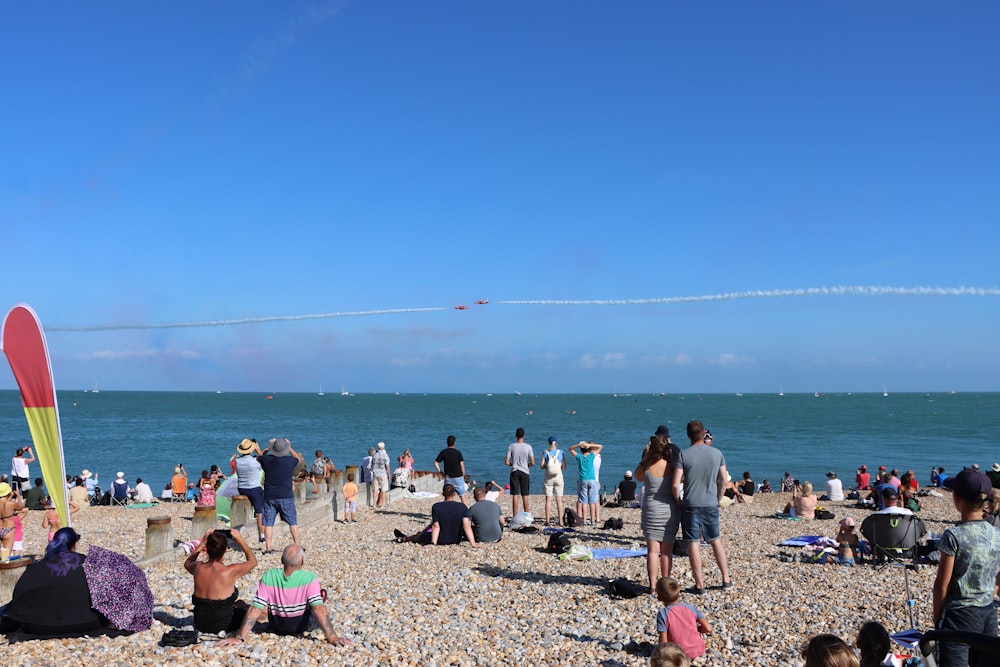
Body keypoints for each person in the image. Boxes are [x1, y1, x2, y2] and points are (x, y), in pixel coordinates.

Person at [218, 544, 350, 647]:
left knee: (259, 606)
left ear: (282, 560)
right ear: (302, 561)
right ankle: (317, 597)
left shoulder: (269, 576)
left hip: (278, 626)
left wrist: (240, 637)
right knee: (318, 604)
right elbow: (319, 610)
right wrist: (332, 637)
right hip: (303, 625)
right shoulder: (309, 578)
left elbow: (255, 609)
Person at [932, 468, 1000, 667]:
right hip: (987, 611)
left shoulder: (954, 535)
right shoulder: (996, 534)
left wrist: (938, 619)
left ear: (956, 498)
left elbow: (941, 585)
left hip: (959, 614)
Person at [0, 527, 110, 636]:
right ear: (75, 544)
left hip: (37, 625)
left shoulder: (35, 568)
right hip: (88, 622)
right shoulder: (91, 565)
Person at [672, 420, 731, 594]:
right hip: (710, 502)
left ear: (688, 435)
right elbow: (724, 481)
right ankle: (726, 579)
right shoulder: (716, 453)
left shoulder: (683, 454)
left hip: (691, 503)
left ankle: (700, 584)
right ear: (703, 432)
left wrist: (678, 501)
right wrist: (718, 498)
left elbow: (676, 484)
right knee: (715, 540)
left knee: (693, 543)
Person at [184, 528, 257, 634]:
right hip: (224, 623)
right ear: (225, 550)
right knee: (249, 609)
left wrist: (202, 543)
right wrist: (241, 540)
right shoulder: (229, 571)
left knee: (239, 603)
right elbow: (253, 562)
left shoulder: (198, 568)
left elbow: (187, 563)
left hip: (200, 622)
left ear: (207, 550)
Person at [636, 432, 681, 593]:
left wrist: (646, 456)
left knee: (653, 551)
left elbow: (638, 477)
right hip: (669, 510)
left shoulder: (646, 466)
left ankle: (653, 586)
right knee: (667, 551)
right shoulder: (672, 466)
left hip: (651, 509)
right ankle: (666, 583)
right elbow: (679, 482)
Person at [393, 484, 481, 547]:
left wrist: (433, 543)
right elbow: (466, 526)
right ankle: (409, 538)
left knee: (423, 534)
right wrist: (473, 543)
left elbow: (436, 526)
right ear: (454, 494)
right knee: (426, 530)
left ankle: (406, 538)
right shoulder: (462, 507)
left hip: (440, 539)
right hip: (456, 540)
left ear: (443, 494)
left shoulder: (437, 507)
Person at [259, 437, 304, 552]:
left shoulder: (267, 460)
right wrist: (289, 447)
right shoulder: (289, 461)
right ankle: (297, 545)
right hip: (286, 495)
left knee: (269, 523)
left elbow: (259, 457)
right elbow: (298, 459)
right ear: (285, 450)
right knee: (292, 522)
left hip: (269, 495)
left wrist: (268, 447)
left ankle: (268, 548)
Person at [654, 576, 712, 661]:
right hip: (699, 650)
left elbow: (663, 642)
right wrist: (697, 629)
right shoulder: (691, 608)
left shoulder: (663, 614)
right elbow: (708, 628)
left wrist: (660, 654)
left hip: (677, 654)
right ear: (679, 593)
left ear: (659, 597)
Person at [233, 438, 265, 541]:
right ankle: (262, 534)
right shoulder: (254, 462)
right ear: (251, 450)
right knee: (259, 512)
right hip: (254, 489)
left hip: (242, 488)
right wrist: (259, 450)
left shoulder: (237, 461)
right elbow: (265, 462)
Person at [568, 440, 603, 525]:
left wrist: (579, 445)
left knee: (583, 501)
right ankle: (593, 520)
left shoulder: (579, 457)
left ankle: (583, 520)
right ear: (588, 449)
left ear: (581, 450)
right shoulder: (591, 456)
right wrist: (589, 445)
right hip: (592, 480)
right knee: (592, 501)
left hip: (583, 480)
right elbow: (601, 446)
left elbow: (570, 449)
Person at [504, 427, 535, 517]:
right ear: (524, 435)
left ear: (516, 435)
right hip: (525, 471)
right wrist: (526, 465)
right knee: (525, 494)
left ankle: (515, 516)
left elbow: (506, 461)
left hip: (514, 470)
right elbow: (533, 462)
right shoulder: (528, 447)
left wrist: (512, 464)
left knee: (515, 494)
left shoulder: (511, 446)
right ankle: (527, 515)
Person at [540, 436, 566, 525]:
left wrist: (548, 466)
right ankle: (561, 521)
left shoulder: (545, 452)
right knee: (559, 500)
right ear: (556, 443)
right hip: (558, 477)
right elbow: (564, 467)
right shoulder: (561, 452)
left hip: (548, 477)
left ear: (549, 443)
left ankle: (547, 520)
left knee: (548, 500)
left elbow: (542, 466)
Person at [1, 482, 25, 560]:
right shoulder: (11, 503)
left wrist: (10, 495)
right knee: (5, 555)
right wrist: (18, 495)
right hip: (9, 529)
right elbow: (21, 507)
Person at [371, 442, 391, 509]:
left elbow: (372, 464)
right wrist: (388, 474)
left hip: (375, 473)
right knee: (383, 489)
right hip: (383, 473)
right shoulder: (385, 455)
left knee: (375, 489)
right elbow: (387, 466)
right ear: (383, 447)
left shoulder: (374, 455)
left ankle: (374, 504)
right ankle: (382, 504)